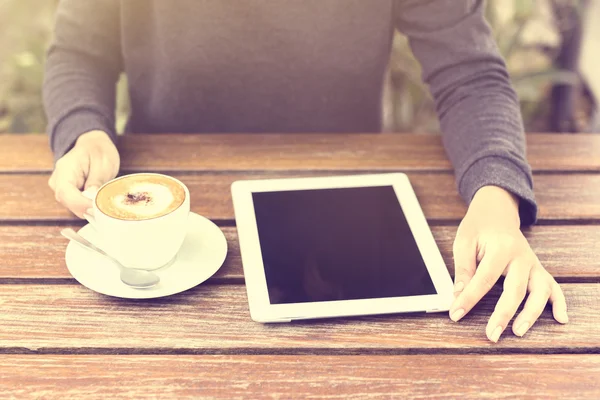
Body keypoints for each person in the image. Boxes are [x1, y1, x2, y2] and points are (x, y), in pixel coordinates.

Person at [43, 0, 568, 342]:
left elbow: (470, 72)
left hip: (346, 208)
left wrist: (497, 201)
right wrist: (84, 131)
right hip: (163, 210)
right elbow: (78, 51)